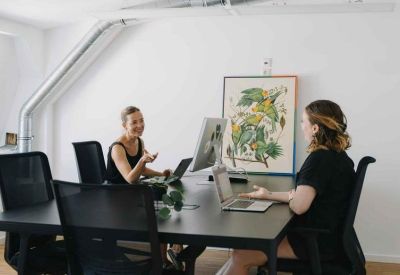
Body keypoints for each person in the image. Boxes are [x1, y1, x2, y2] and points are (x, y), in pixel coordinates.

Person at [221, 100, 356, 275]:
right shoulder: (339, 157)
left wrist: (294, 198)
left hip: (316, 243)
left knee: (241, 255)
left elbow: (299, 205)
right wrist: (268, 194)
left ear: (315, 128)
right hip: (330, 238)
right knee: (239, 250)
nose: (301, 126)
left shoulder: (319, 159)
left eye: (303, 121)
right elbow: (305, 195)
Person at [105, 106, 183, 270]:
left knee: (165, 192)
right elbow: (130, 178)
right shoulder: (117, 148)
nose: (140, 125)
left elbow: (143, 171)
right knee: (157, 201)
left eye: (141, 120)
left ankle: (172, 249)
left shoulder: (139, 141)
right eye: (134, 122)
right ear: (124, 125)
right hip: (117, 197)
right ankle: (163, 258)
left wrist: (162, 174)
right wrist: (142, 161)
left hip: (132, 192)